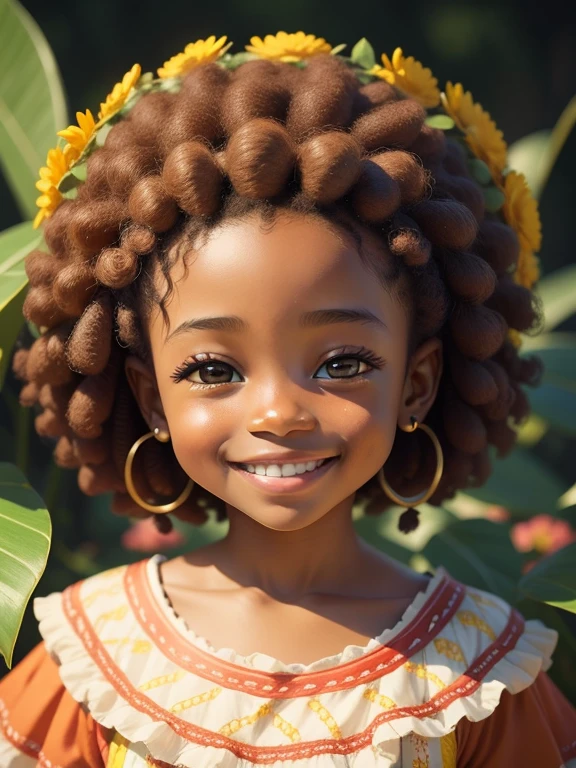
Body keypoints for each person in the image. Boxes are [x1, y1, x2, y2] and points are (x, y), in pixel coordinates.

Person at [0, 30, 574, 768]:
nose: (278, 412)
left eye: (341, 363)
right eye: (212, 370)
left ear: (418, 383)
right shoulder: (90, 659)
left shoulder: (485, 673)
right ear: (149, 399)